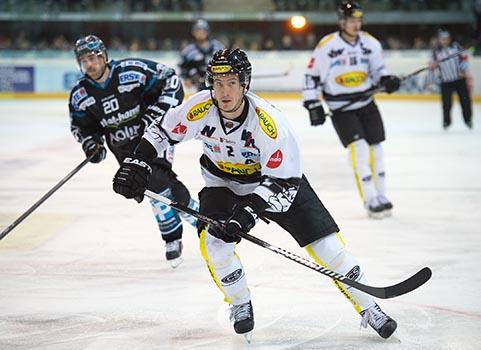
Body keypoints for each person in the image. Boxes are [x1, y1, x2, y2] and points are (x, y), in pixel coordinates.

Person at [112, 48, 398, 340]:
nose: (224, 92)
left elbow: (284, 180)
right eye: (218, 82)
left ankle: (369, 307)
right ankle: (240, 303)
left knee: (328, 248)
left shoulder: (268, 123)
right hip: (222, 183)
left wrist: (249, 212)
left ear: (244, 83)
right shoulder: (200, 107)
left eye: (232, 83)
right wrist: (138, 162)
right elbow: (161, 132)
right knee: (214, 244)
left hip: (276, 184)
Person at [69, 34, 198, 268]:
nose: (89, 64)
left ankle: (182, 232)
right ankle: (195, 217)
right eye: (84, 60)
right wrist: (91, 144)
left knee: (156, 180)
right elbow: (82, 126)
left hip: (154, 137)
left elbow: (170, 79)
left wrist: (155, 115)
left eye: (93, 57)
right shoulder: (81, 94)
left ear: (104, 56)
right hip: (123, 148)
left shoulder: (130, 70)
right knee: (149, 187)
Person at [302, 1, 401, 218]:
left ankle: (382, 196)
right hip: (342, 109)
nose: (356, 25)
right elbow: (312, 75)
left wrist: (387, 81)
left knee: (377, 149)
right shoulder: (327, 46)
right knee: (360, 149)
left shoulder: (370, 43)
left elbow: (378, 71)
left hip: (366, 103)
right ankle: (369, 199)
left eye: (359, 20)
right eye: (351, 21)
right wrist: (312, 103)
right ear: (341, 22)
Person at [427, 29, 472, 129]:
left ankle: (468, 119)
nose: (445, 41)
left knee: (465, 101)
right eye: (442, 39)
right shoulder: (435, 52)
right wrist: (429, 81)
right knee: (446, 103)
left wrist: (463, 69)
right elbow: (431, 68)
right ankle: (446, 122)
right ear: (439, 40)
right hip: (446, 81)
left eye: (446, 39)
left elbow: (465, 58)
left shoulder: (456, 47)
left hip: (459, 79)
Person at [178, 19, 225, 91]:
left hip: (218, 83)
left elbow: (226, 62)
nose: (200, 33)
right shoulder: (188, 50)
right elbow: (183, 67)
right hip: (198, 85)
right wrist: (186, 78)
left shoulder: (218, 46)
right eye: (198, 31)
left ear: (207, 32)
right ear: (193, 33)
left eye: (203, 31)